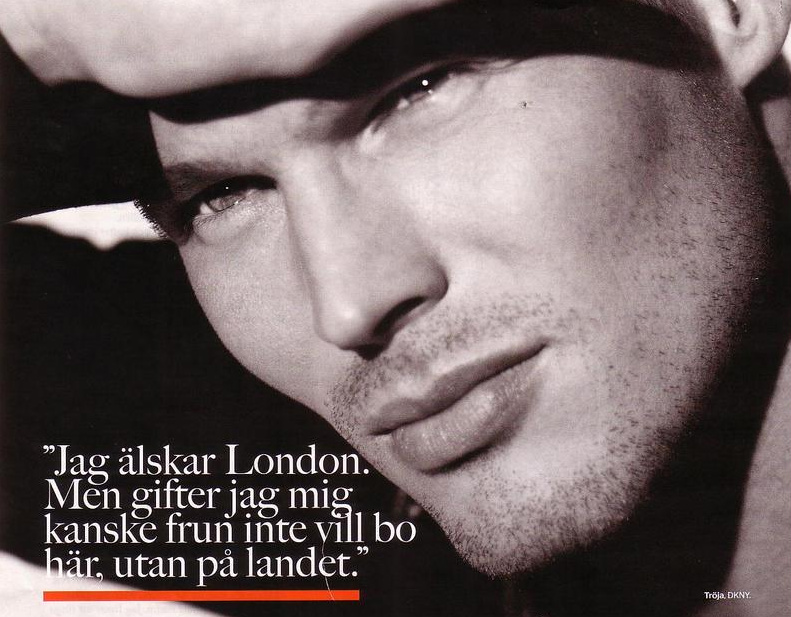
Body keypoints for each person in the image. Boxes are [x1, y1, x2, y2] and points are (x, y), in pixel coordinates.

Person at [2, 1, 790, 616]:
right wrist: (41, 31)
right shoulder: (334, 513)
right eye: (225, 194)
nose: (347, 307)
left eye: (420, 90)